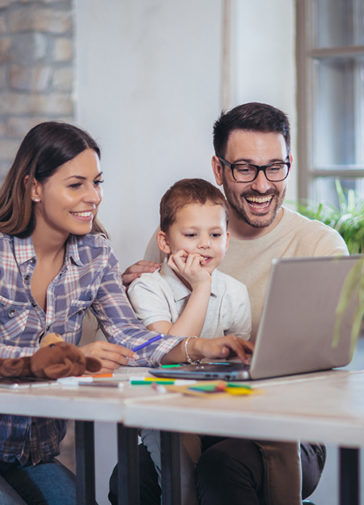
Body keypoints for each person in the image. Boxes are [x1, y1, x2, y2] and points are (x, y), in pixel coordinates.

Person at [0, 121, 252, 505]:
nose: (93, 197)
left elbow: (132, 337)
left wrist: (201, 348)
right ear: (34, 187)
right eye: (76, 185)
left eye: (97, 183)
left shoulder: (94, 252)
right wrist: (68, 358)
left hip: (30, 457)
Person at [122, 103, 348, 505]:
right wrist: (124, 296)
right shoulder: (179, 239)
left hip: (285, 426)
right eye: (245, 168)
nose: (262, 184)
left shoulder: (318, 245)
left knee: (221, 468)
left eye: (274, 167)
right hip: (190, 411)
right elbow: (147, 344)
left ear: (289, 164)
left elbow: (330, 356)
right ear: (219, 169)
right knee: (127, 481)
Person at [129, 178, 251, 505]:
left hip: (217, 405)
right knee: (181, 485)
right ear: (165, 241)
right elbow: (168, 350)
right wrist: (200, 288)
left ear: (227, 238)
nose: (205, 245)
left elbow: (238, 360)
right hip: (162, 408)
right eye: (191, 235)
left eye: (215, 235)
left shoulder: (235, 292)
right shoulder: (147, 288)